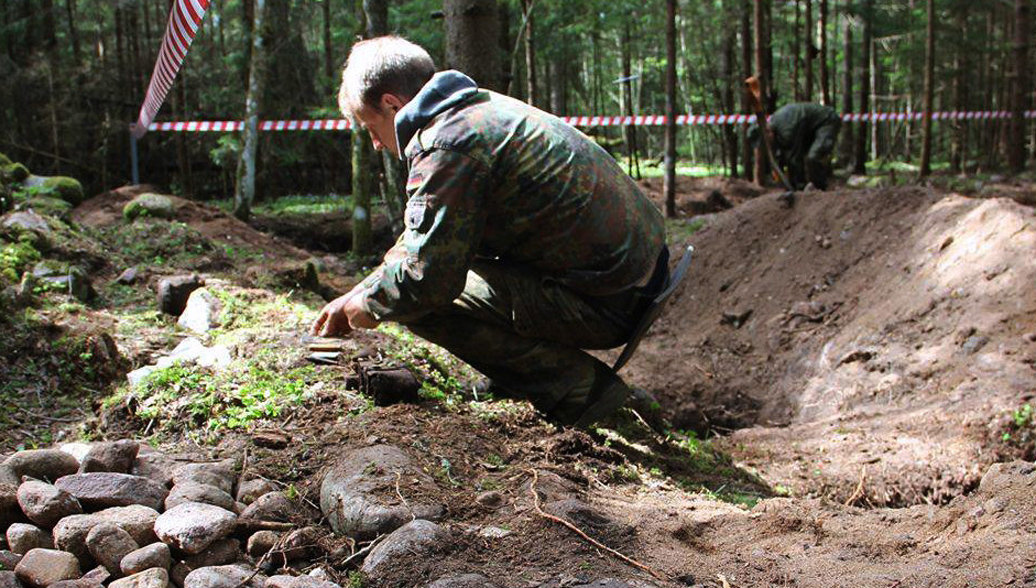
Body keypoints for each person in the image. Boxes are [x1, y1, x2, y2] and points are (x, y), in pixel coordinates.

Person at [310, 36, 668, 428]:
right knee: (424, 280)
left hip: (610, 301)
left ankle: (578, 391)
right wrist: (359, 289)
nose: (376, 143)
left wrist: (371, 304)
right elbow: (430, 235)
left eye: (370, 127)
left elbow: (426, 277)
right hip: (637, 279)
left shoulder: (447, 145)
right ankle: (525, 380)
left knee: (421, 303)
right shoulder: (475, 109)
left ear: (391, 105)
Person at [748, 102, 841, 190]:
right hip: (808, 129)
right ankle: (807, 187)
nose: (768, 144)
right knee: (805, 158)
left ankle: (820, 190)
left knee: (813, 157)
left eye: (765, 141)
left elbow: (794, 159)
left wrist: (797, 187)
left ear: (767, 132)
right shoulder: (777, 128)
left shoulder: (786, 130)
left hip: (826, 121)